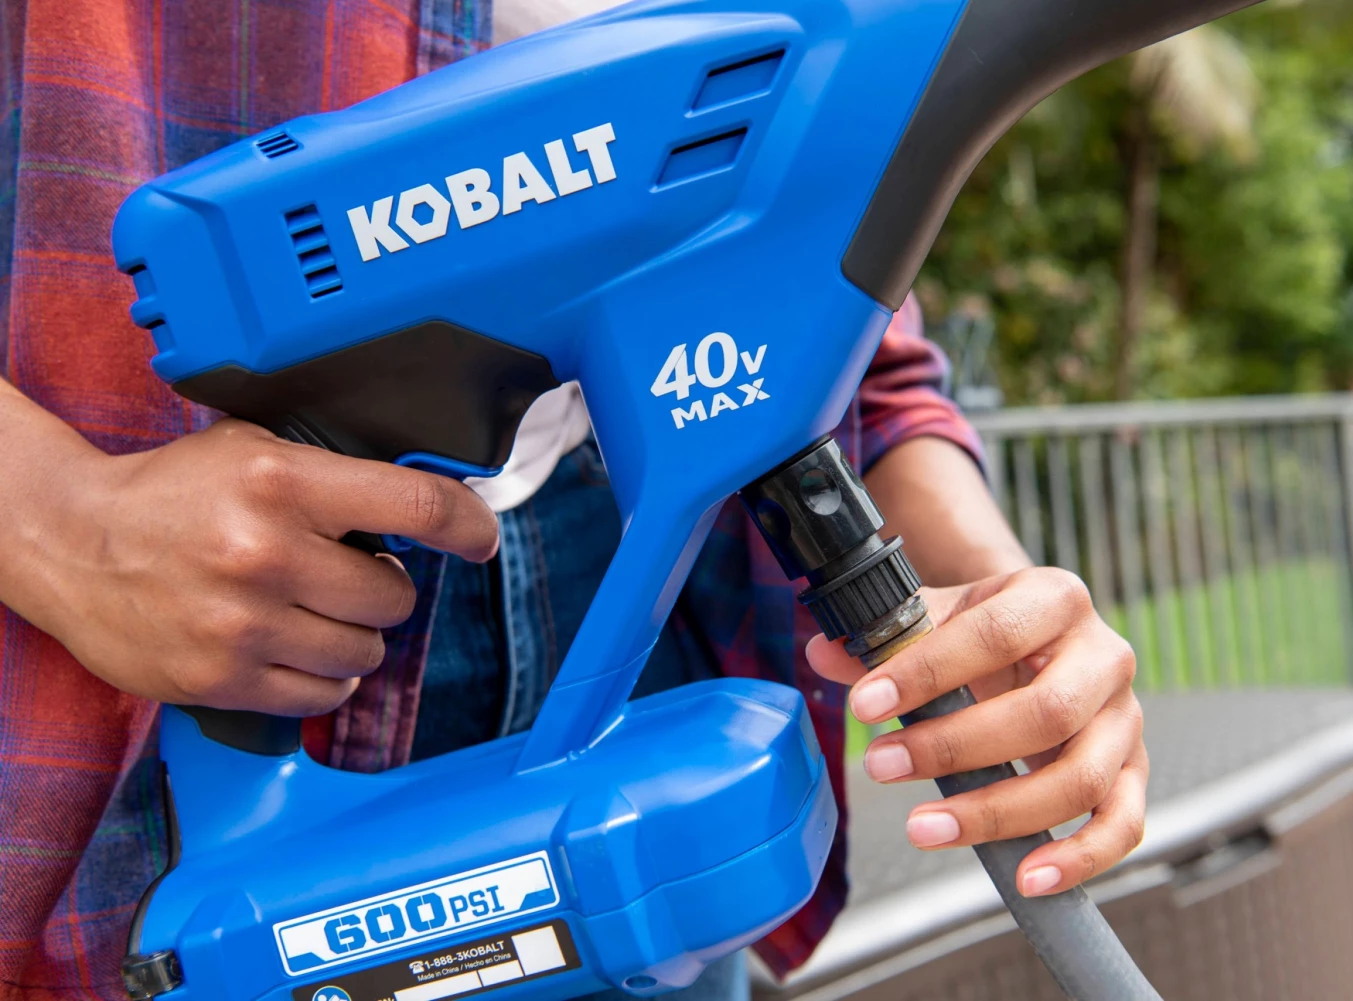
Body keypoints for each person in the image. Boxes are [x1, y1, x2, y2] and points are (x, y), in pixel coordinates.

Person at [0, 3, 1147, 999]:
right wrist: (63, 521)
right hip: (177, 623)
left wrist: (991, 597)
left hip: (654, 598)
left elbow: (831, 301)